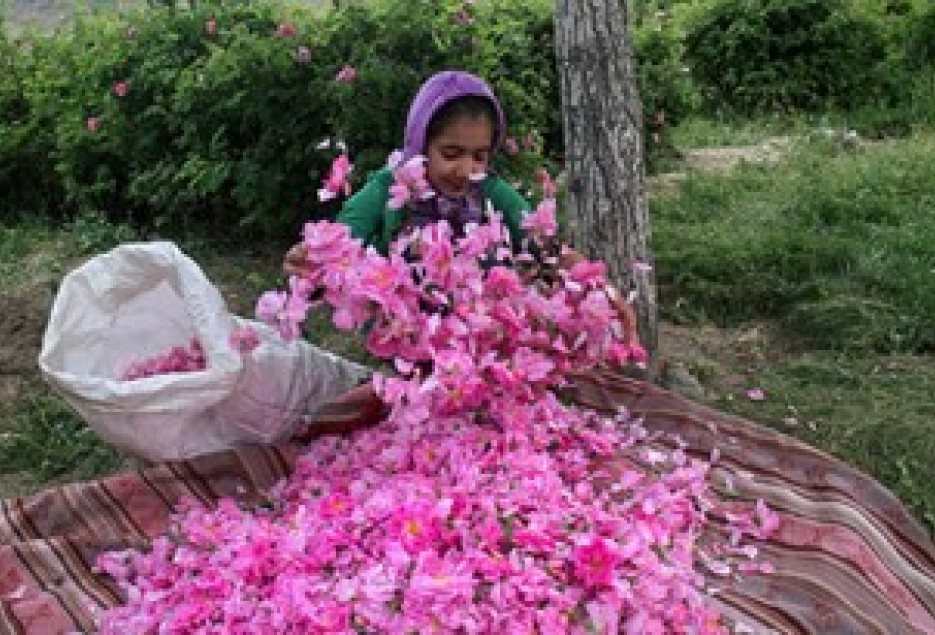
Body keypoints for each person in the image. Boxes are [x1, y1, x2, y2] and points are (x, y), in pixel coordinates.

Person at [285, 69, 640, 348]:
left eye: (480, 156)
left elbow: (550, 249)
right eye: (451, 154)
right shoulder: (385, 189)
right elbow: (341, 242)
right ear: (419, 145)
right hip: (405, 344)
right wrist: (312, 262)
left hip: (483, 343)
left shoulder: (492, 193)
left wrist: (600, 289)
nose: (467, 169)